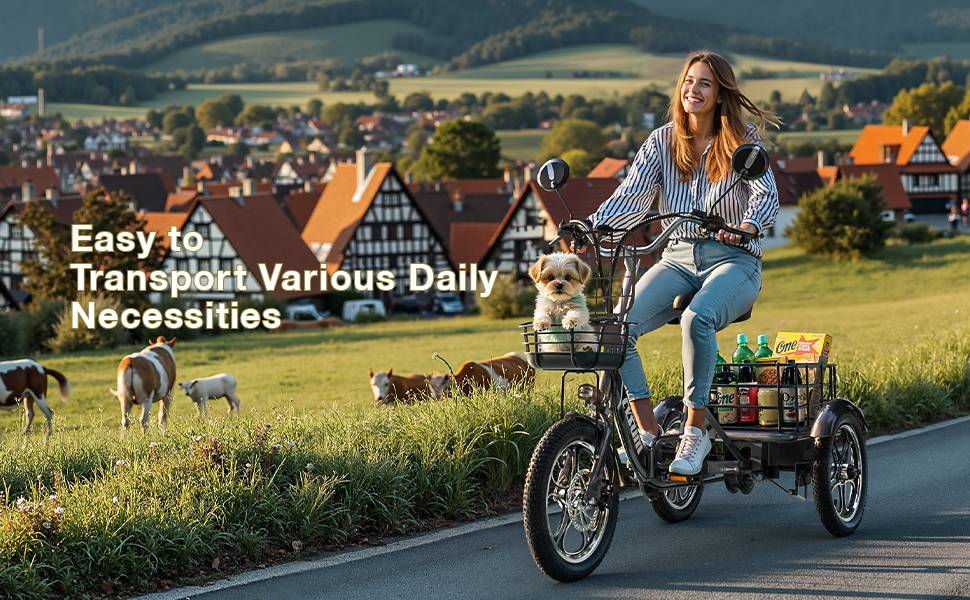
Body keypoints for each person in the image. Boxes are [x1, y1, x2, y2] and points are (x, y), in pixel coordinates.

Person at [583, 51, 780, 475]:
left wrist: (746, 225)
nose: (694, 89)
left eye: (705, 83)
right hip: (676, 257)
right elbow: (631, 196)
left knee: (697, 319)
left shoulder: (743, 141)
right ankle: (649, 435)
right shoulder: (662, 141)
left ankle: (695, 432)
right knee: (617, 330)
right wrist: (593, 226)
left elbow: (766, 195)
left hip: (734, 260)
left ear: (720, 93)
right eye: (689, 81)